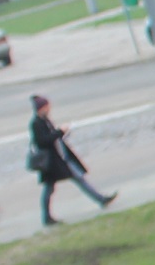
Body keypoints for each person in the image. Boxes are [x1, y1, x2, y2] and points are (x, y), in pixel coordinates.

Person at [25, 95, 117, 225]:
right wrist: (60, 132)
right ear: (42, 108)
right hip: (51, 163)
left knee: (77, 178)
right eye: (47, 106)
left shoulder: (44, 120)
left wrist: (62, 133)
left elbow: (52, 137)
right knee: (50, 188)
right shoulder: (36, 123)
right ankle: (47, 217)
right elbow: (42, 141)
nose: (49, 108)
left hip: (59, 158)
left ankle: (101, 199)